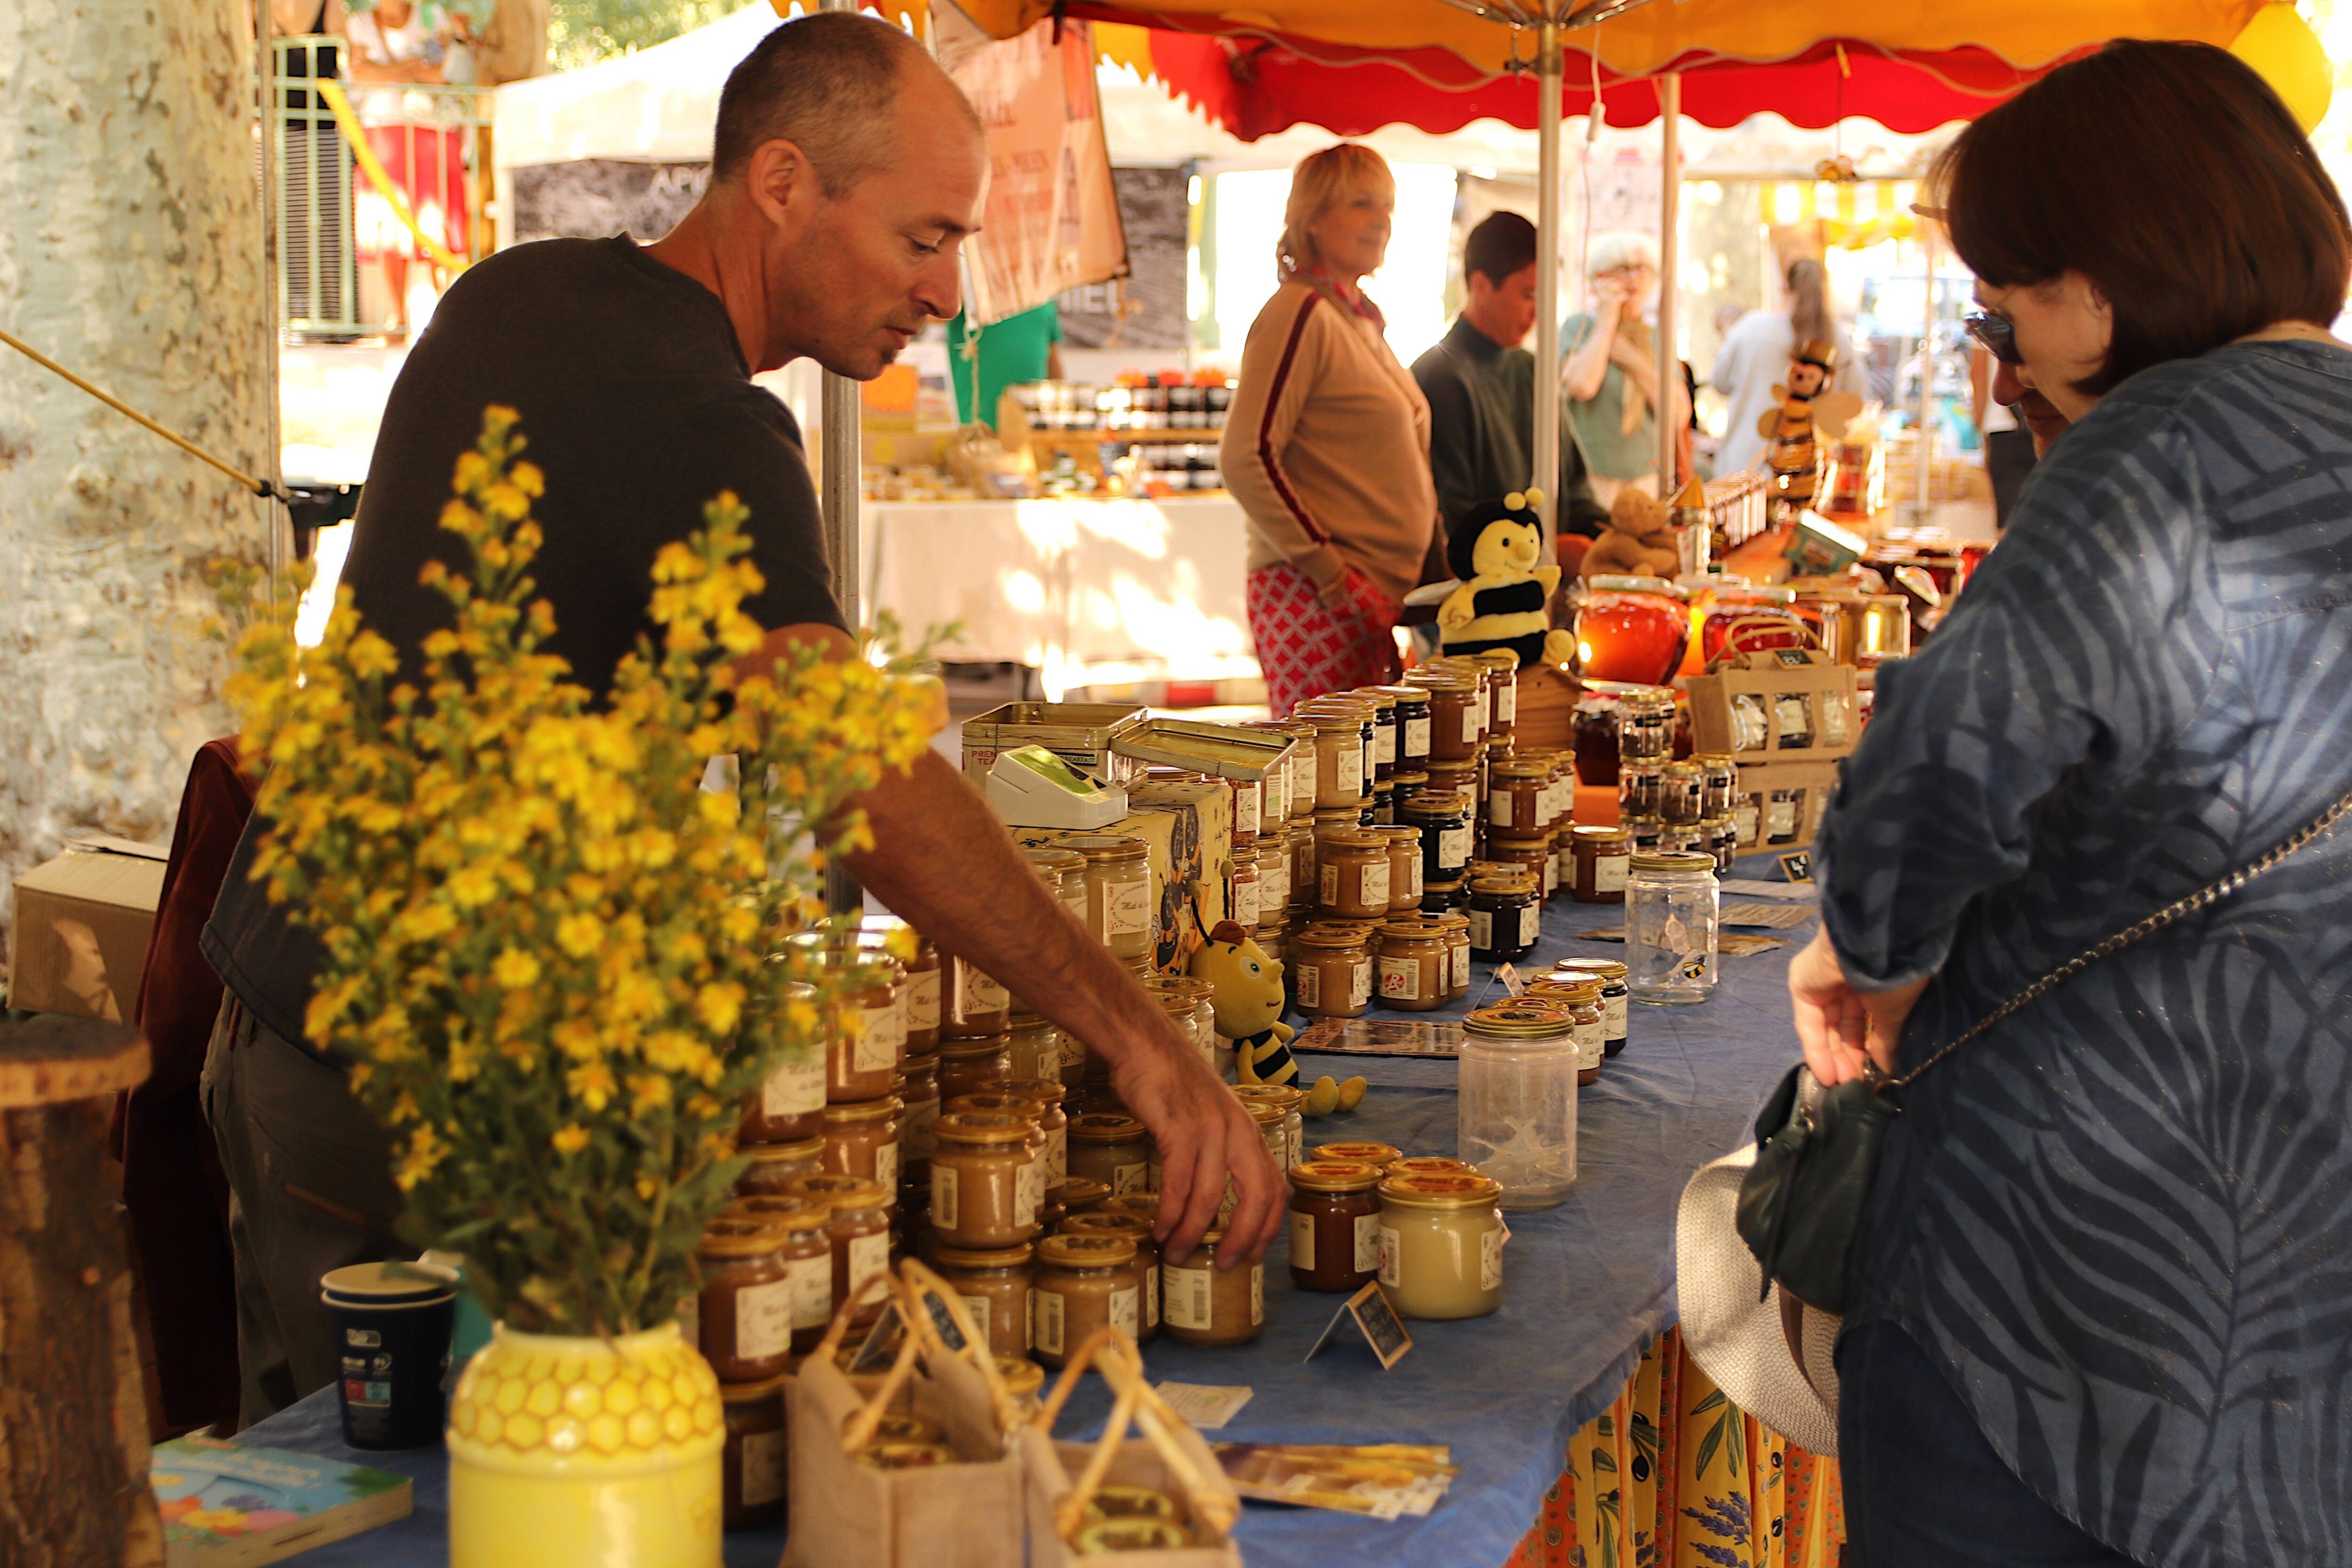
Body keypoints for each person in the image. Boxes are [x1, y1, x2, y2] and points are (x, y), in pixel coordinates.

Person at [199, 12, 1282, 1425]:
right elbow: (869, 786)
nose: (947, 292)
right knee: (432, 1502)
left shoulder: (517, 293)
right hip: (406, 1089)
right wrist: (1141, 1042)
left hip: (300, 1026)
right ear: (779, 184)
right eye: (920, 239)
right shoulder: (699, 419)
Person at [1786, 40, 2352, 1568]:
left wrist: (1873, 961)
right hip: (2310, 1306)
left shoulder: (2147, 449)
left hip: (2057, 1287)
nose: (2005, 355)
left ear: (2094, 292)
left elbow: (1940, 766)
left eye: (2006, 307)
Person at [1220, 143, 1438, 716]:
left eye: (1387, 206)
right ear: (1312, 218)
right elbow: (1245, 456)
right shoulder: (1299, 312)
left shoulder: (1357, 318)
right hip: (1315, 596)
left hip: (1363, 600)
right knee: (1323, 789)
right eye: (1362, 204)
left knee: (1354, 785)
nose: (1381, 220)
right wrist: (1332, 575)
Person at [1410, 210, 1606, 563]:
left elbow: (1575, 488)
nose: (1538, 313)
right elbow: (1453, 520)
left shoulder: (1533, 370)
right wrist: (1545, 551)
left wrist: (1616, 534)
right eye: (1529, 295)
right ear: (1481, 286)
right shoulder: (1440, 378)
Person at [1560, 231, 1686, 504]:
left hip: (1647, 475)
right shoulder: (1579, 328)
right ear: (1599, 280)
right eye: (1623, 269)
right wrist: (1607, 322)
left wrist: (1632, 359)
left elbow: (1678, 414)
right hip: (1591, 475)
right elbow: (1582, 386)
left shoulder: (1658, 339)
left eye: (1642, 270)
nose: (1633, 279)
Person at [1709, 256, 1866, 476]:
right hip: (1810, 471)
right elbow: (1857, 399)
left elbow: (1719, 382)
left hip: (1744, 469)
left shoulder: (1750, 328)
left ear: (1783, 286)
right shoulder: (1838, 340)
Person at [946, 299, 1064, 430]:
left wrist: (1060, 410)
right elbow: (936, 316)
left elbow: (1051, 354)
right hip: (975, 426)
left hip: (1031, 428)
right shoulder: (974, 288)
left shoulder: (1043, 295)